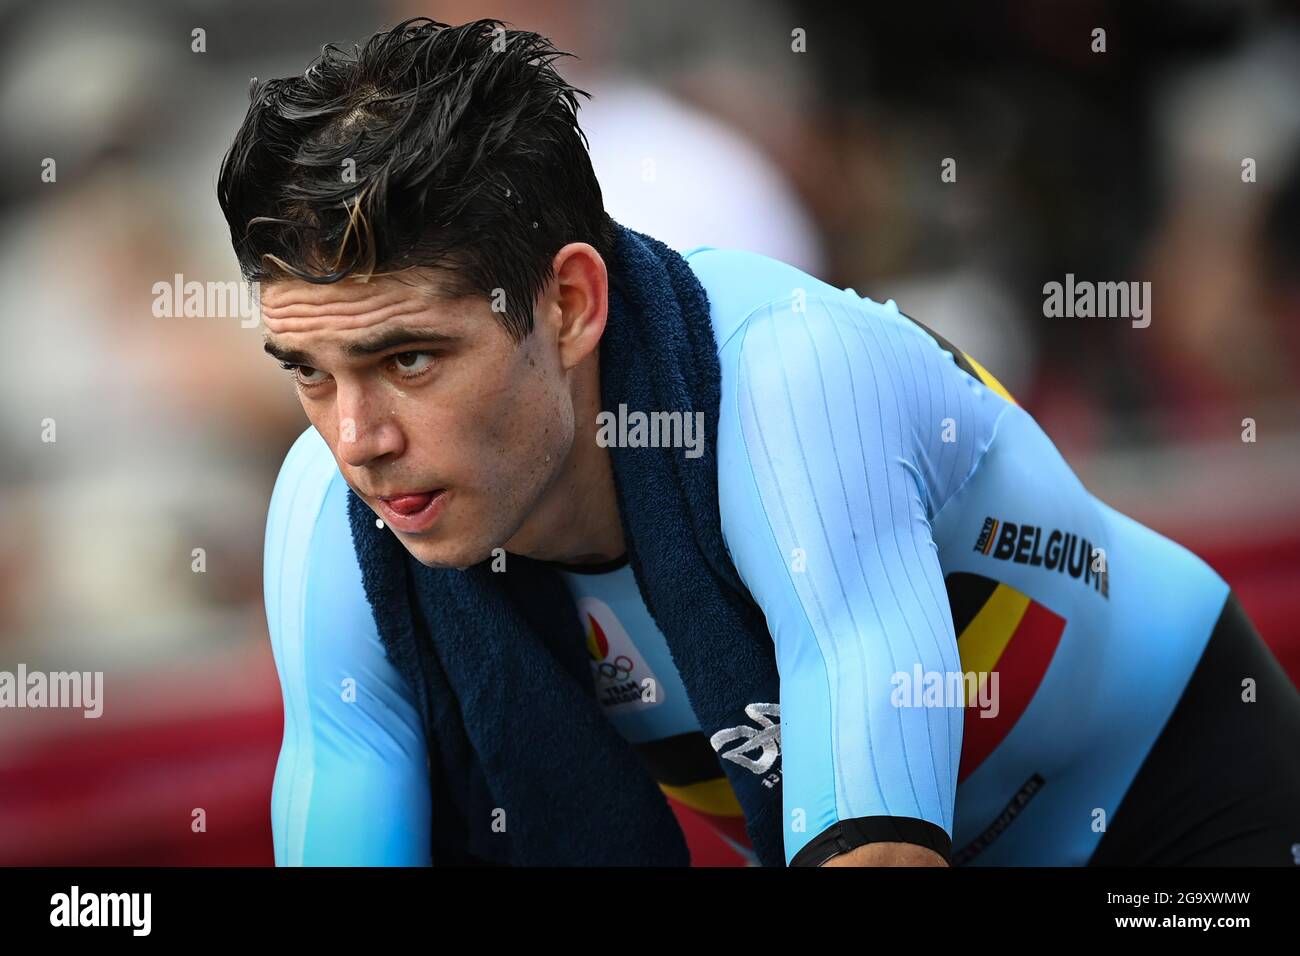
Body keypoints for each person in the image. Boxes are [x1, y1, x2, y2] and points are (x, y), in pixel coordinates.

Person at [219, 17, 1300, 866]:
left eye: (409, 359)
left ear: (569, 303)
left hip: (1183, 808)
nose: (357, 438)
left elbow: (876, 847)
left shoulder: (788, 378)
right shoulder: (331, 518)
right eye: (309, 371)